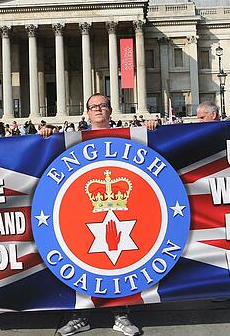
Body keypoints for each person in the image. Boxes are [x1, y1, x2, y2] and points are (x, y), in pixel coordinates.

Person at [41, 94, 154, 336]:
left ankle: (120, 314)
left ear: (111, 110)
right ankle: (81, 315)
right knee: (83, 260)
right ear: (87, 112)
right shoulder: (72, 141)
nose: (99, 110)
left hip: (124, 211)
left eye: (103, 106)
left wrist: (153, 128)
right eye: (94, 107)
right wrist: (47, 134)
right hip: (85, 211)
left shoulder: (129, 135)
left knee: (121, 260)